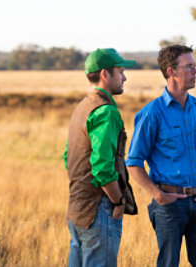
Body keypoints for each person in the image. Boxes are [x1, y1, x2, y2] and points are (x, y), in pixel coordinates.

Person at [125, 45, 196, 267]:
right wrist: (158, 195)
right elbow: (134, 162)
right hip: (169, 205)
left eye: (195, 66)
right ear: (171, 71)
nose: (195, 71)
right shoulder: (151, 114)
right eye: (189, 67)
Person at [63, 48, 138, 267]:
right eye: (121, 71)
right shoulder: (106, 111)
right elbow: (102, 167)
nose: (124, 77)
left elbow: (69, 157)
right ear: (105, 74)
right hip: (99, 207)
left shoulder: (82, 107)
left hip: (77, 205)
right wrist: (118, 201)